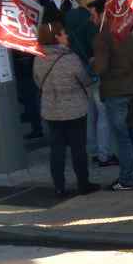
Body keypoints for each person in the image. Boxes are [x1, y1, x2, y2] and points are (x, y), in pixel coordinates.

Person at [33, 21, 99, 197]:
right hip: (74, 109)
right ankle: (83, 184)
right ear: (56, 37)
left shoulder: (38, 58)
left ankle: (59, 186)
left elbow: (37, 81)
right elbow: (84, 79)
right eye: (63, 33)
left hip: (51, 110)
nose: (67, 36)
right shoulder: (71, 58)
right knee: (78, 148)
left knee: (56, 149)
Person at [92, 16, 133, 191]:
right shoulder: (128, 35)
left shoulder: (103, 37)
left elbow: (101, 67)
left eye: (94, 13)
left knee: (123, 138)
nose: (92, 17)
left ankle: (126, 178)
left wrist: (93, 64)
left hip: (116, 92)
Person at [65, 0, 114, 168]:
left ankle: (92, 149)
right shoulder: (89, 20)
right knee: (103, 113)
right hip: (92, 68)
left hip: (77, 68)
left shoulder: (69, 17)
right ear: (83, 0)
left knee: (90, 113)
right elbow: (95, 46)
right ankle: (104, 154)